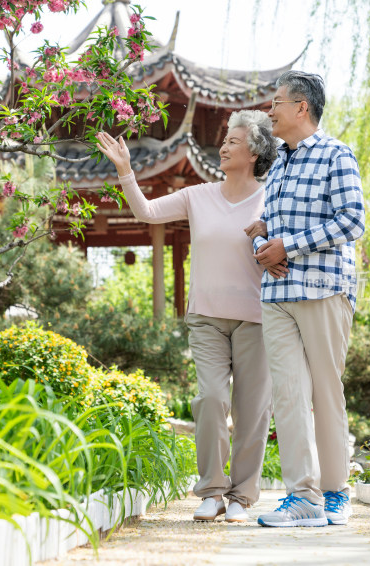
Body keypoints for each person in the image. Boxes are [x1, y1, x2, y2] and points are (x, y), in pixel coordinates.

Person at [96, 111, 278, 522]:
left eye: (233, 140)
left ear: (253, 151)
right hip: (207, 318)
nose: (224, 146)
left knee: (253, 411)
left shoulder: (272, 197)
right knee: (211, 399)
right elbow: (146, 212)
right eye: (225, 140)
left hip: (257, 319)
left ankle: (241, 498)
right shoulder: (198, 195)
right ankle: (212, 490)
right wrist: (126, 170)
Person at [251, 71, 365, 527]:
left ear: (302, 107)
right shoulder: (278, 164)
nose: (269, 110)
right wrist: (262, 248)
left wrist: (289, 247)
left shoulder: (337, 155)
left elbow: (352, 220)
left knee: (324, 390)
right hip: (276, 293)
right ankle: (303, 497)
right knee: (288, 395)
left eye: (276, 102)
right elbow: (265, 226)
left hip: (323, 289)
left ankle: (336, 492)